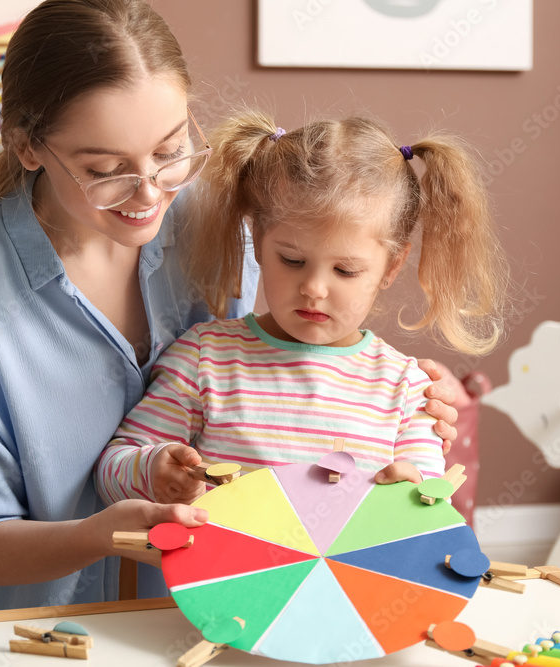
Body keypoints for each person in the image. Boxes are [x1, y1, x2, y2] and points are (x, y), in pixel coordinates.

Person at [0, 2, 459, 665]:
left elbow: (261, 368)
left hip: (161, 611)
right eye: (106, 167)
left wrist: (400, 388)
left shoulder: (208, 219)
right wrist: (99, 534)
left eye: (170, 150)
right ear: (27, 145)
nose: (148, 192)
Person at [97, 110, 508, 506]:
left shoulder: (406, 389)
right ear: (257, 240)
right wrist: (153, 472)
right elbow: (112, 472)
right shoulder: (205, 358)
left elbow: (429, 513)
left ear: (392, 265)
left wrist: (410, 498)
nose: (313, 288)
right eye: (292, 261)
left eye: (345, 270)